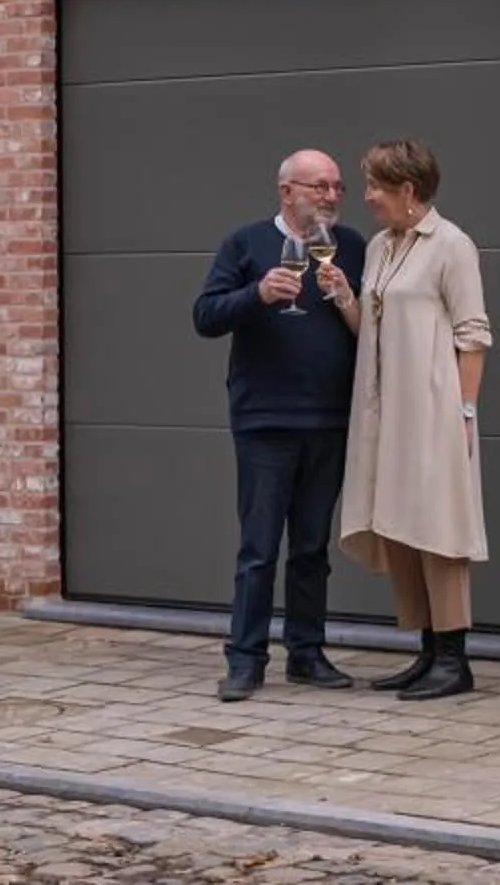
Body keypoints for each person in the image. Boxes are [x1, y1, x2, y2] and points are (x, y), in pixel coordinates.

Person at [191, 148, 368, 701]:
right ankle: (244, 660)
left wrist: (345, 296)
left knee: (312, 547)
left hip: (330, 419)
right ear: (286, 191)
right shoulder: (245, 243)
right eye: (319, 186)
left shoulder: (354, 247)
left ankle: (307, 655)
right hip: (265, 420)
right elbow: (205, 315)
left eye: (337, 186)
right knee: (260, 548)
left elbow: (371, 326)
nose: (332, 196)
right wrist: (259, 294)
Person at [326, 138, 491, 700]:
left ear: (408, 190)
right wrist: (346, 297)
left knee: (437, 527)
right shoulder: (379, 247)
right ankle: (426, 653)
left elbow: (474, 335)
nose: (367, 196)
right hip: (380, 410)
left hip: (432, 408)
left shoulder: (452, 246)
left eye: (375, 185)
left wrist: (464, 411)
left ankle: (454, 659)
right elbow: (371, 328)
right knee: (398, 526)